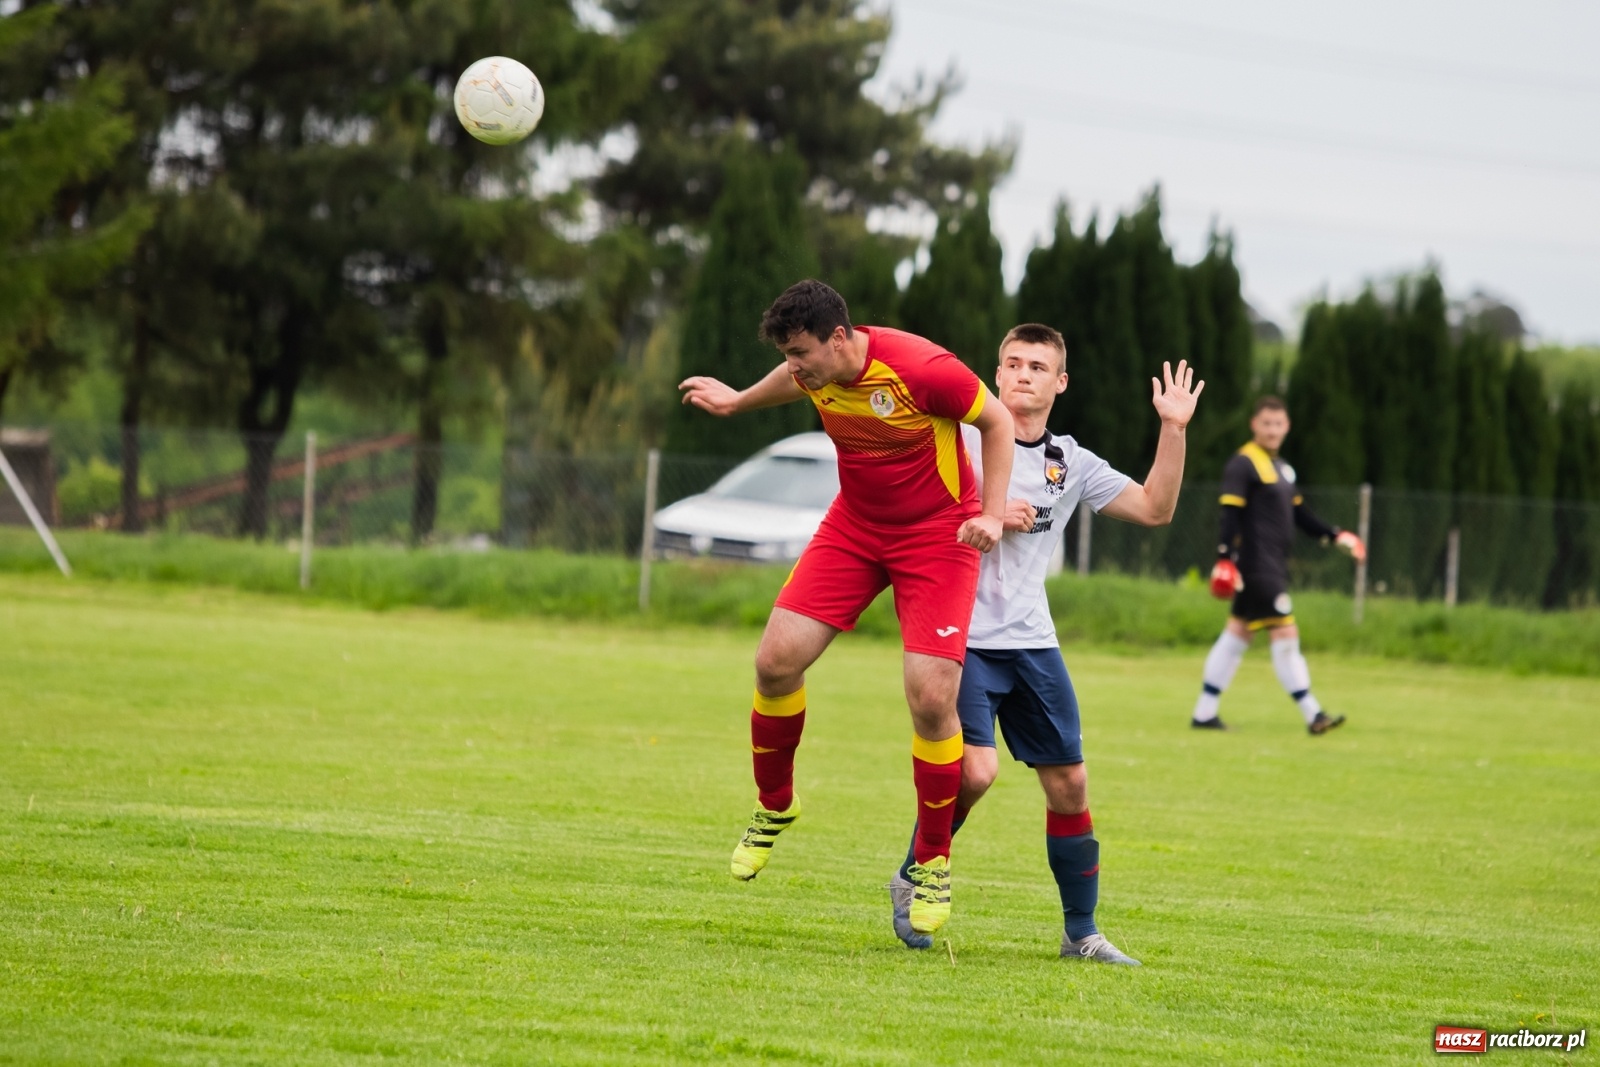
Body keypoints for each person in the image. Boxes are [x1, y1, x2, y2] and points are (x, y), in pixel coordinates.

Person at [678, 279, 1015, 937]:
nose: (795, 367)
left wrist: (993, 514)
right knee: (775, 660)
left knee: (930, 695)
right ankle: (775, 804)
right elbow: (791, 377)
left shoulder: (922, 369)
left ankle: (932, 860)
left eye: (801, 352)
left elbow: (996, 421)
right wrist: (740, 401)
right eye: (787, 356)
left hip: (938, 534)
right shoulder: (814, 368)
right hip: (856, 526)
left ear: (840, 337)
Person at [890, 323, 1204, 964]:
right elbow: (906, 521)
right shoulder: (960, 444)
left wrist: (1173, 429)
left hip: (1033, 643)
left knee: (1071, 787)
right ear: (996, 375)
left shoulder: (1072, 462)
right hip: (964, 636)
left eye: (1038, 366)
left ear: (1060, 383)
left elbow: (1155, 510)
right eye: (1013, 363)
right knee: (975, 771)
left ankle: (1081, 934)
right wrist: (985, 513)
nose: (1023, 374)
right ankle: (917, 869)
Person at [1191, 396, 1366, 735]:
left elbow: (1300, 515)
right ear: (1254, 425)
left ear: (1287, 427)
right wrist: (1225, 559)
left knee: (1236, 636)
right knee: (1285, 633)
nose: (1272, 430)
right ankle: (1313, 714)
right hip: (1257, 566)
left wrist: (1336, 534)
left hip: (1272, 564)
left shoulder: (1283, 469)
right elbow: (1230, 514)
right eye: (1266, 423)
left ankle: (1203, 713)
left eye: (1278, 424)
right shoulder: (1243, 463)